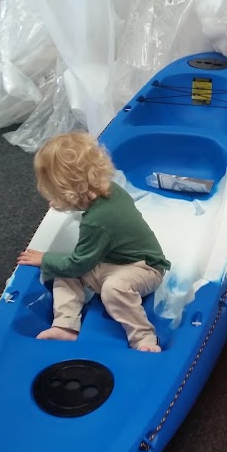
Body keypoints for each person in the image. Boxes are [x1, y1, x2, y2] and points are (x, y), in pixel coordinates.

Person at [18, 132, 170, 353]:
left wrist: (45, 259)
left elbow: (78, 264)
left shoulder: (96, 222)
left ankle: (143, 337)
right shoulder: (108, 191)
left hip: (145, 268)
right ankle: (66, 326)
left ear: (68, 192)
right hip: (114, 261)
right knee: (66, 273)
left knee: (111, 287)